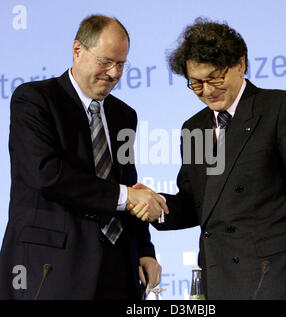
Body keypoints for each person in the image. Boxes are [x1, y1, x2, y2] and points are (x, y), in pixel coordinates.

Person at [130, 18, 286, 300]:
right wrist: (159, 207)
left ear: (240, 64)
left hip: (277, 275)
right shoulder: (194, 127)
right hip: (218, 279)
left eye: (215, 78)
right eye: (196, 83)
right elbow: (197, 203)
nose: (207, 90)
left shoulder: (280, 108)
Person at [0, 14, 168, 300]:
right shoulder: (34, 99)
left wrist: (144, 251)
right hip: (51, 266)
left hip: (117, 266)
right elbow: (47, 174)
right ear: (78, 51)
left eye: (120, 64)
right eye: (105, 62)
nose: (113, 73)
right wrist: (127, 196)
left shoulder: (124, 115)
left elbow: (129, 182)